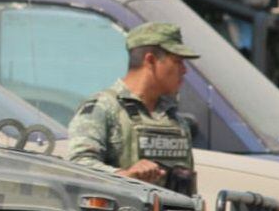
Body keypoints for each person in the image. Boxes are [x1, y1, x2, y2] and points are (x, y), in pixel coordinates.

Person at [67, 22, 198, 191]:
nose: (184, 70)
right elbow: (78, 167)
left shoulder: (173, 118)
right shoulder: (103, 108)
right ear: (150, 60)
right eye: (177, 61)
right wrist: (126, 176)